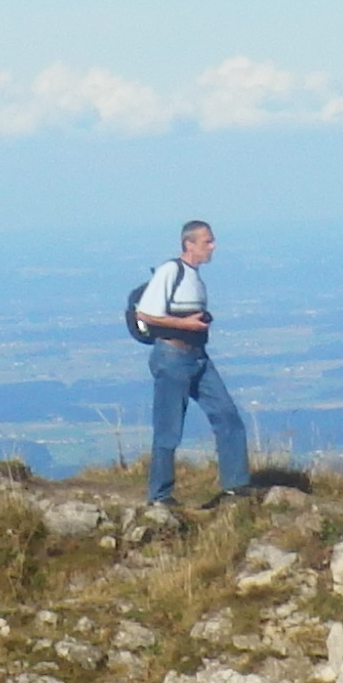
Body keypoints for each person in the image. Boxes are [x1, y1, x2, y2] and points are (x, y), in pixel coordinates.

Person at [133, 216, 251, 512]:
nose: (213, 246)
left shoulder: (194, 276)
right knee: (168, 428)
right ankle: (160, 496)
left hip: (197, 356)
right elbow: (145, 313)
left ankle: (236, 488)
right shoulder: (170, 271)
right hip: (172, 357)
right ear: (190, 244)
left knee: (227, 416)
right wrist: (183, 324)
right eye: (207, 241)